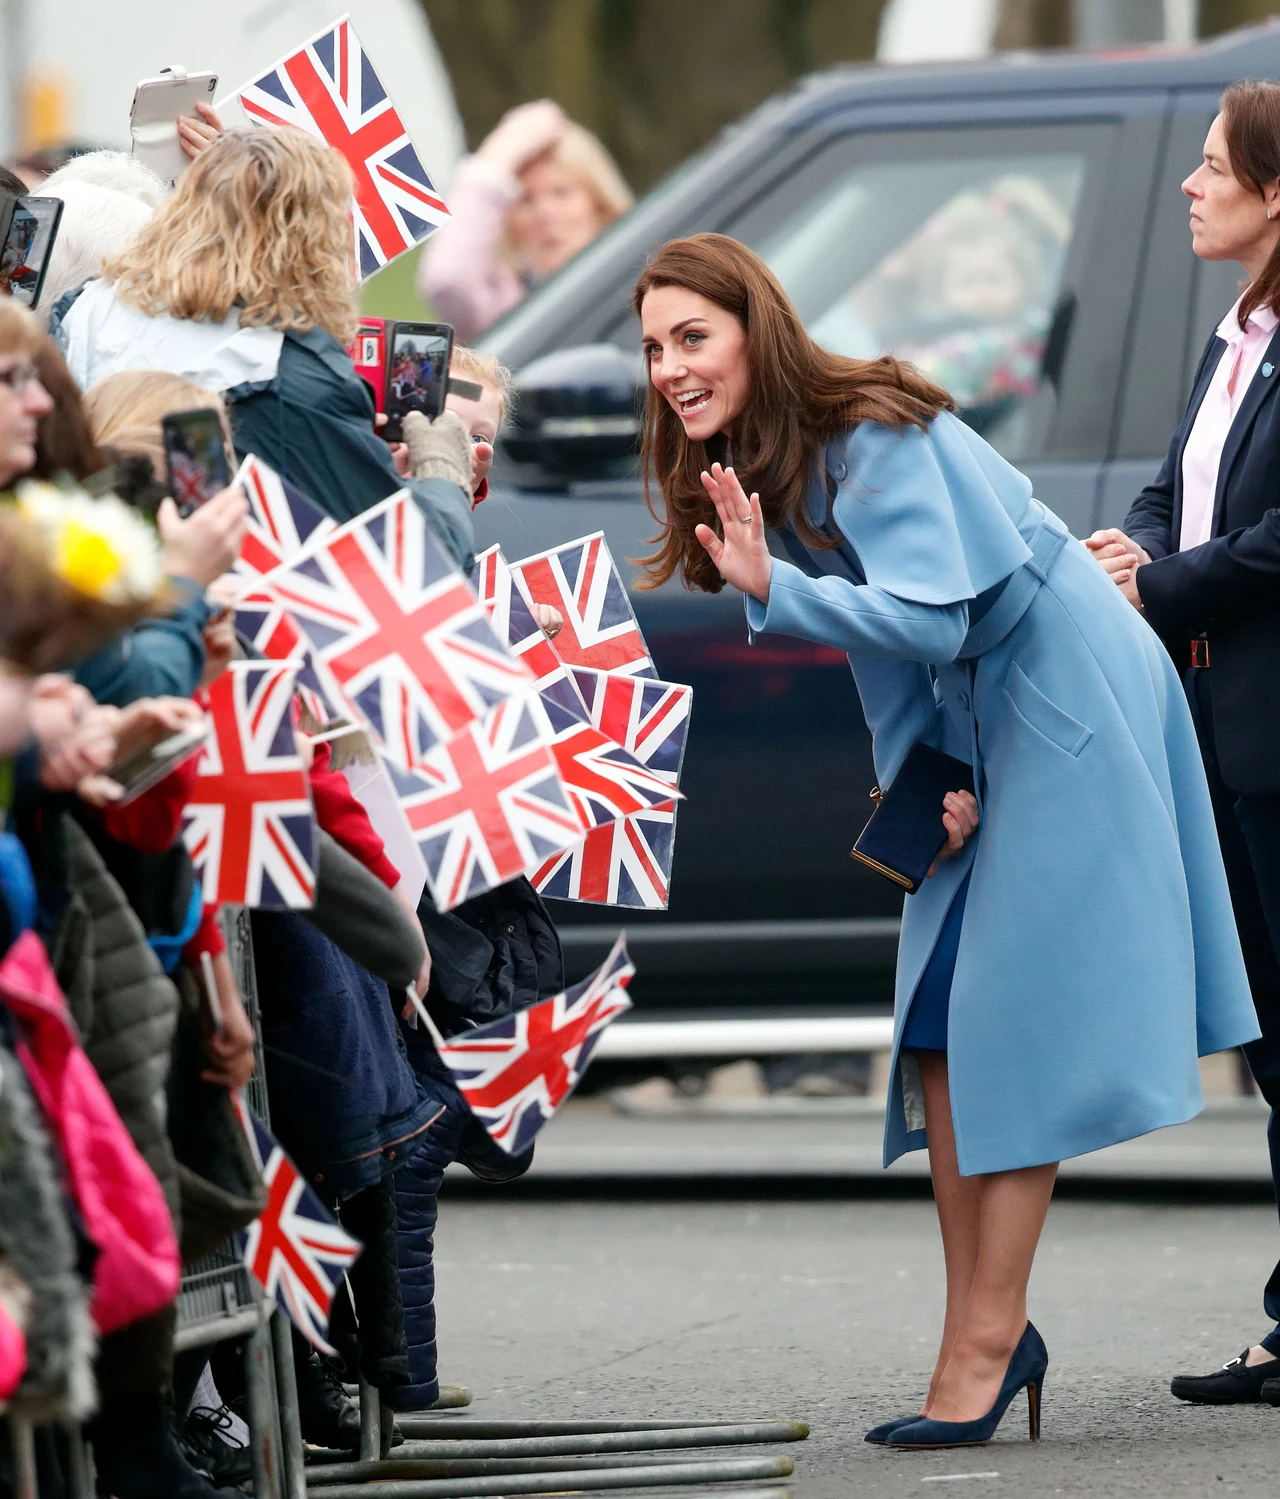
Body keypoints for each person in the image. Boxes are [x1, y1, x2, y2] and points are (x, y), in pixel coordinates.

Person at [633, 232, 1259, 1449]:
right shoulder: (782, 456)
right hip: (985, 709)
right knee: (933, 1025)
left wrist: (777, 588)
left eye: (691, 337)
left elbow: (937, 614)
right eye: (653, 346)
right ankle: (983, 1331)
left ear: (755, 329)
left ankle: (983, 1338)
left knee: (1007, 1028)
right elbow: (902, 651)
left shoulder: (868, 428)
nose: (669, 367)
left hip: (1064, 689)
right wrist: (926, 785)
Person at [1085, 80, 1280, 1407]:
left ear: (1276, 193)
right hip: (1216, 725)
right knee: (1276, 1046)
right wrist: (1133, 546)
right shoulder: (1232, 336)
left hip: (1273, 729)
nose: (1188, 183)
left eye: (1215, 167)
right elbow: (1177, 487)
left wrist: (1164, 584)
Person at [50, 127, 474, 570]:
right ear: (315, 239)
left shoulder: (86, 308)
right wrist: (443, 470)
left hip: (86, 575)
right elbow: (417, 561)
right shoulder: (286, 373)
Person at [418, 100, 633, 341]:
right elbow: (449, 280)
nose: (544, 213)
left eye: (561, 192)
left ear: (599, 204)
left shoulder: (645, 283)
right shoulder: (508, 309)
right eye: (527, 200)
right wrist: (499, 153)